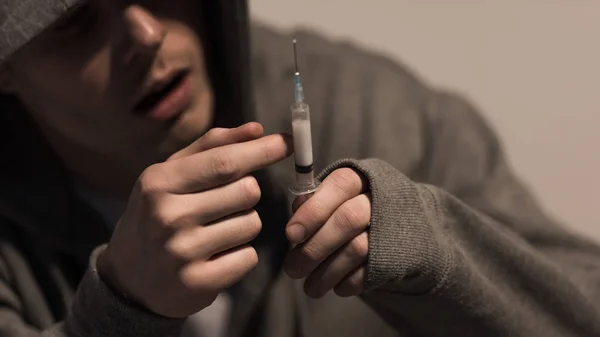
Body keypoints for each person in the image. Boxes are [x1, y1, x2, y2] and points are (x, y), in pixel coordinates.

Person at [0, 0, 599, 336]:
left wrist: (434, 251)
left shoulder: (377, 111)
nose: (146, 34)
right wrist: (118, 310)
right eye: (74, 21)